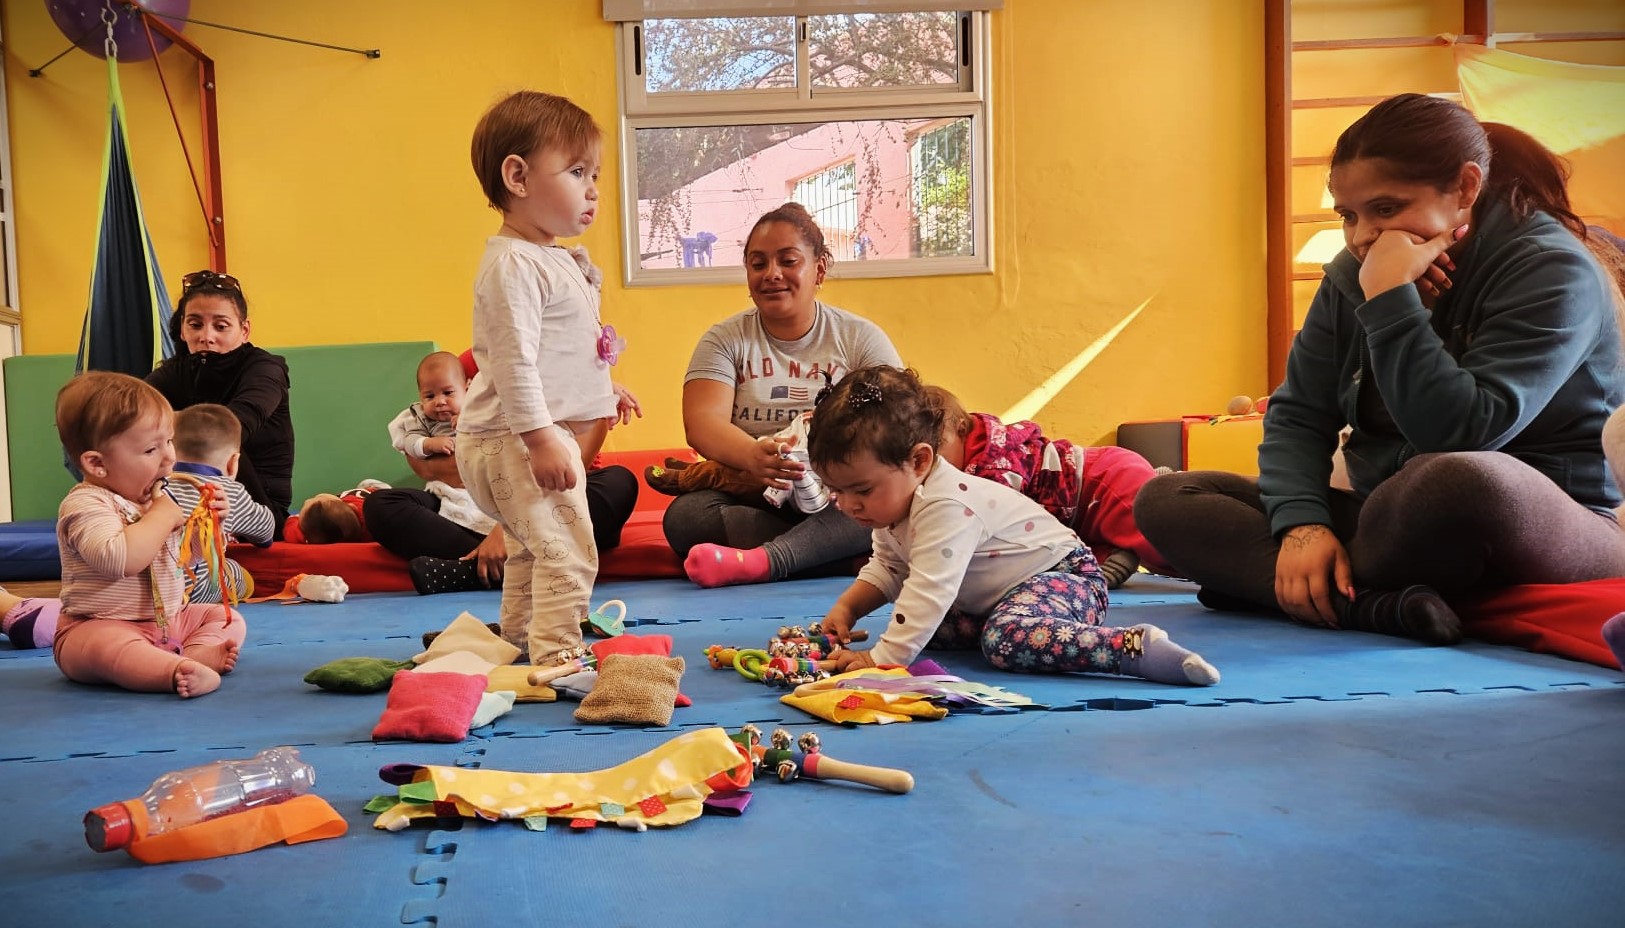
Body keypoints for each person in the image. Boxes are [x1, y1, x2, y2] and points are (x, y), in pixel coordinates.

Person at [1134, 93, 1625, 645]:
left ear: (1465, 189)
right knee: (1166, 499)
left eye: (1386, 209)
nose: (1363, 235)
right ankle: (1375, 607)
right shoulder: (1357, 269)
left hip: (1531, 518)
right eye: (1350, 215)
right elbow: (1298, 414)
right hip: (1387, 521)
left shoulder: (1551, 269)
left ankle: (1269, 585)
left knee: (1451, 479)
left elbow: (1463, 433)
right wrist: (1303, 526)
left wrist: (1391, 299)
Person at [806, 365, 1218, 685]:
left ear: (918, 462)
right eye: (835, 491)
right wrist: (848, 609)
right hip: (1002, 595)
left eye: (859, 490)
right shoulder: (892, 504)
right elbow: (889, 569)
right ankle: (1014, 624)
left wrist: (880, 663)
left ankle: (1133, 647)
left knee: (1001, 640)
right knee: (927, 629)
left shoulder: (944, 504)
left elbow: (929, 589)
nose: (846, 505)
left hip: (1065, 577)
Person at [454, 89, 636, 665]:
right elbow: (511, 362)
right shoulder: (514, 264)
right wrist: (539, 439)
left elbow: (561, 349)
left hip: (515, 437)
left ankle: (520, 640)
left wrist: (604, 388)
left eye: (595, 174)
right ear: (518, 176)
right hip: (514, 439)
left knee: (536, 548)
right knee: (570, 552)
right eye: (577, 171)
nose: (593, 188)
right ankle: (559, 656)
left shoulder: (548, 256)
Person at [666, 202, 904, 588]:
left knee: (890, 501)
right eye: (758, 264)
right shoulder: (724, 340)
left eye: (788, 261)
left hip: (841, 495)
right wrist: (752, 456)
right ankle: (830, 554)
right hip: (760, 493)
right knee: (687, 519)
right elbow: (702, 424)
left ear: (819, 269)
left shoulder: (859, 338)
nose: (772, 275)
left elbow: (897, 418)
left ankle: (769, 560)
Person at [365, 349, 640, 595]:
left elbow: (566, 469)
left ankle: (473, 572)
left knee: (619, 482)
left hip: (551, 501)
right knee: (382, 504)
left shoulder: (579, 374)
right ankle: (517, 566)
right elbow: (424, 465)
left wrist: (506, 528)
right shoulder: (474, 365)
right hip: (479, 492)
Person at [51, 372, 246, 697]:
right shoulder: (85, 503)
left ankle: (196, 652)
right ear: (97, 463)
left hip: (169, 622)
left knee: (225, 618)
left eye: (169, 441)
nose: (170, 456)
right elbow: (120, 559)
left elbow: (187, 556)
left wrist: (211, 525)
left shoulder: (155, 500)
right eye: (150, 450)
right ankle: (169, 671)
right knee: (105, 647)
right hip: (97, 625)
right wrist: (161, 516)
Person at [926, 386, 1177, 589]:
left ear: (961, 431)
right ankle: (1112, 552)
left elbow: (997, 533)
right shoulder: (970, 459)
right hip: (1081, 514)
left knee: (1165, 547)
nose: (933, 463)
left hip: (1103, 483)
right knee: (1070, 557)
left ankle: (1173, 494)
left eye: (938, 449)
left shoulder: (994, 468)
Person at [147, 270, 294, 538]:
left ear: (244, 330)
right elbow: (128, 415)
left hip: (257, 507)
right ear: (182, 329)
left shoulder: (266, 369)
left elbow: (233, 426)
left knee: (217, 436)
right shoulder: (174, 372)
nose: (207, 336)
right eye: (195, 324)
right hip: (187, 496)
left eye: (221, 326)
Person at [167, 403, 276, 602]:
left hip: (152, 587)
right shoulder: (226, 491)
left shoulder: (155, 482)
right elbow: (266, 531)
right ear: (233, 462)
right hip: (195, 591)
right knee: (237, 572)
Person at [283, 480, 390, 544]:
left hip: (372, 494)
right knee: (369, 485)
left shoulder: (309, 535)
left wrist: (295, 518)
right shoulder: (369, 513)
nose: (306, 500)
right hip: (369, 494)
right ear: (352, 508)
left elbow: (290, 526)